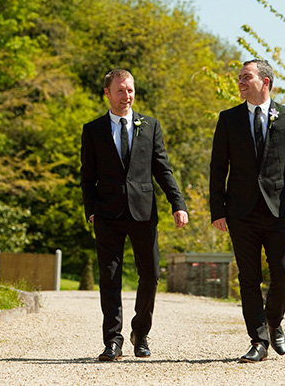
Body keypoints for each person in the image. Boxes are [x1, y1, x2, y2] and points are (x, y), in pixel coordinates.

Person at [209, 59, 285, 363]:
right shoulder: (229, 119)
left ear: (265, 82)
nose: (241, 83)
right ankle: (258, 340)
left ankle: (274, 321)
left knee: (283, 274)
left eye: (247, 77)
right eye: (240, 78)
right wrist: (216, 209)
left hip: (278, 209)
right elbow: (218, 167)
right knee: (249, 277)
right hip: (240, 211)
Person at [81, 69, 188, 361]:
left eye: (130, 90)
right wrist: (91, 210)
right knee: (110, 278)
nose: (126, 96)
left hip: (143, 212)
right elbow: (87, 176)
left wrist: (177, 203)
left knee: (151, 275)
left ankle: (140, 334)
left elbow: (162, 169)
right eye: (120, 91)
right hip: (107, 213)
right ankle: (112, 341)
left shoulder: (150, 126)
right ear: (107, 93)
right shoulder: (93, 130)